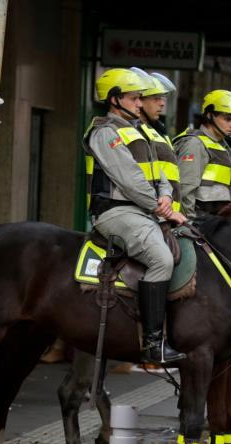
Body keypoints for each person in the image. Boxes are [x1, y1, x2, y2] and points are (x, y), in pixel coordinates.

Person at [84, 68, 187, 364]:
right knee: (161, 258)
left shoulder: (140, 130)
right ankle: (152, 345)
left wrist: (166, 195)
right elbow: (129, 179)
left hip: (146, 209)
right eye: (134, 98)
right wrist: (161, 207)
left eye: (141, 98)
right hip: (116, 212)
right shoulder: (105, 132)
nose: (140, 104)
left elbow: (161, 171)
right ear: (114, 99)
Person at [173, 90, 231, 218]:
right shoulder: (195, 143)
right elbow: (185, 188)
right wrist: (189, 224)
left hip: (217, 219)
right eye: (228, 119)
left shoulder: (222, 146)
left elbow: (220, 186)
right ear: (209, 115)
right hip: (199, 221)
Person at [131, 68, 181, 213]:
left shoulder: (157, 131)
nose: (162, 103)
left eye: (163, 98)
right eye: (156, 98)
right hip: (153, 213)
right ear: (140, 100)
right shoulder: (133, 132)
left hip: (167, 212)